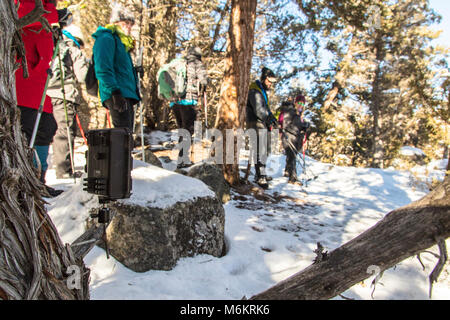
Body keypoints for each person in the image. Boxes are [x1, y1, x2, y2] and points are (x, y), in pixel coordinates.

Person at [15, 0, 64, 197]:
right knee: (29, 130)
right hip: (24, 82)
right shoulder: (27, 2)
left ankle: (38, 179)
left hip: (39, 84)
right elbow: (22, 15)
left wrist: (52, 33)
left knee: (46, 127)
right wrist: (55, 15)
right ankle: (28, 180)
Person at [47, 24, 89, 179]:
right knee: (65, 131)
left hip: (49, 94)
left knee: (54, 131)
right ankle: (64, 171)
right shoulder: (73, 50)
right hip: (66, 95)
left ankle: (57, 168)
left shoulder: (56, 47)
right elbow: (82, 76)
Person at [92, 4, 140, 132]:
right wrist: (114, 92)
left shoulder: (123, 43)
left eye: (131, 24)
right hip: (117, 93)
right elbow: (103, 67)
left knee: (126, 133)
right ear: (116, 22)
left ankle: (125, 152)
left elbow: (122, 68)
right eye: (126, 23)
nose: (129, 27)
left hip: (127, 92)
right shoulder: (106, 38)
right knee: (122, 134)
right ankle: (120, 153)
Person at [171, 46, 208, 168]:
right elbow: (203, 81)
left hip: (175, 101)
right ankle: (183, 159)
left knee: (182, 129)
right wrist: (206, 83)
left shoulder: (180, 62)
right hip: (188, 100)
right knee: (187, 130)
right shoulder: (197, 63)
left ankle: (181, 158)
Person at [246, 67, 279, 189]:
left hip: (262, 122)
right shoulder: (255, 91)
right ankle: (260, 176)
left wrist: (272, 118)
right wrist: (268, 117)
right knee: (261, 148)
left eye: (273, 82)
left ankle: (261, 173)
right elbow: (259, 109)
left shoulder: (262, 91)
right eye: (269, 81)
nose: (271, 84)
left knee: (267, 148)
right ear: (264, 78)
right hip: (255, 122)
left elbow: (265, 109)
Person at [278, 94, 310, 184]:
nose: (301, 105)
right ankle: (293, 177)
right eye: (299, 103)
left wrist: (304, 126)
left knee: (291, 155)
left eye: (303, 104)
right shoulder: (290, 111)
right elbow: (284, 123)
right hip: (288, 136)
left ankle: (288, 171)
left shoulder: (298, 114)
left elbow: (298, 127)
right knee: (292, 155)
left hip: (295, 137)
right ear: (295, 103)